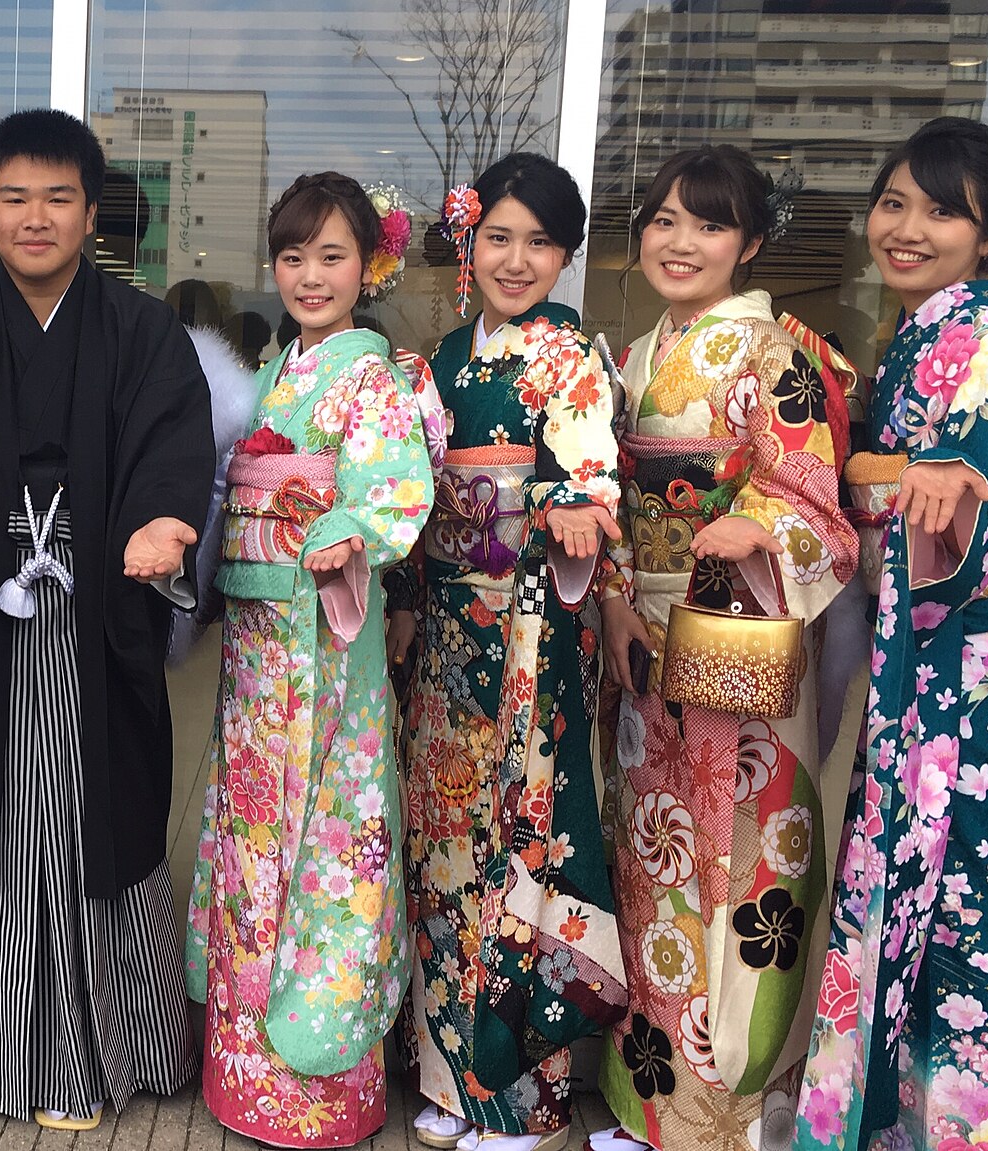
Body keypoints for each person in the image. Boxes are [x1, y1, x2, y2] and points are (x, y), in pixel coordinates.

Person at [0, 108, 213, 1131]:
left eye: (58, 197)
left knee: (90, 815)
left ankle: (94, 1054)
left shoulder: (142, 331)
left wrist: (165, 519)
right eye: (14, 197)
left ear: (90, 213)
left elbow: (173, 442)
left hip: (95, 603)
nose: (36, 217)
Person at [796, 117, 988, 1151]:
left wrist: (952, 474)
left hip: (963, 656)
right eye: (893, 202)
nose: (906, 228)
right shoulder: (923, 328)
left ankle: (965, 1131)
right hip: (931, 647)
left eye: (942, 211)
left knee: (959, 893)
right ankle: (901, 1124)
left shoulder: (981, 331)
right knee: (925, 876)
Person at [594, 145, 855, 1151]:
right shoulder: (633, 357)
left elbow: (813, 502)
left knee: (739, 858)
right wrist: (615, 599)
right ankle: (652, 1102)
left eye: (708, 224)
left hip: (735, 634)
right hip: (645, 644)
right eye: (663, 220)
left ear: (748, 244)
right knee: (648, 856)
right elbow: (609, 500)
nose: (680, 241)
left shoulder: (776, 356)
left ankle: (735, 1114)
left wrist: (758, 524)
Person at [185, 170, 434, 1149]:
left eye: (332, 256)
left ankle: (317, 1085)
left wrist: (344, 529)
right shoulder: (275, 370)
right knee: (252, 833)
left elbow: (393, 488)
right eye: (292, 256)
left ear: (369, 266)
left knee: (328, 835)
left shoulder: (373, 377)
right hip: (257, 647)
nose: (309, 275)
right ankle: (242, 1074)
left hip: (326, 641)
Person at [384, 153, 628, 1151]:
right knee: (442, 846)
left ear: (564, 257)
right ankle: (449, 1075)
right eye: (498, 237)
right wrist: (405, 593)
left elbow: (590, 475)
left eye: (540, 242)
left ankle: (526, 1095)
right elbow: (409, 494)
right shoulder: (439, 360)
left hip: (529, 636)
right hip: (446, 634)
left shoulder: (568, 358)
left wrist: (573, 503)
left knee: (524, 843)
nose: (516, 260)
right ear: (467, 241)